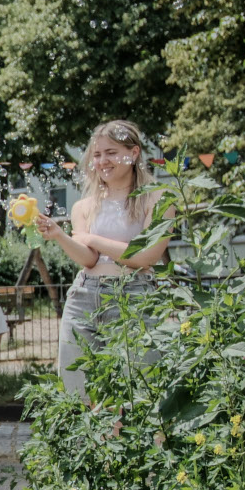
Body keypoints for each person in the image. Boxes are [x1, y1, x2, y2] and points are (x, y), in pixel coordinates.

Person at [38, 119, 170, 398]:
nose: (102, 161)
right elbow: (88, 259)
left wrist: (94, 239)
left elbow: (147, 256)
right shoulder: (84, 206)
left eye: (111, 152)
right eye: (96, 155)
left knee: (141, 394)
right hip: (84, 296)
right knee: (78, 393)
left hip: (135, 295)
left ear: (134, 153)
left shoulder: (158, 198)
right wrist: (60, 235)